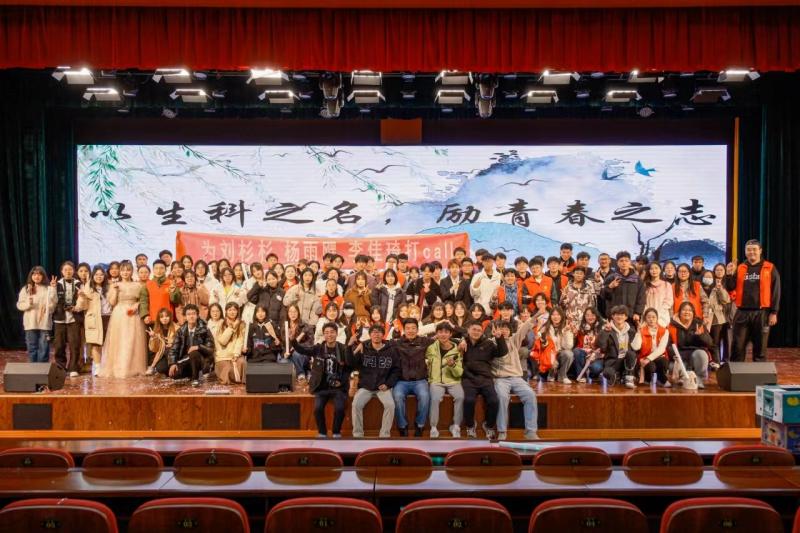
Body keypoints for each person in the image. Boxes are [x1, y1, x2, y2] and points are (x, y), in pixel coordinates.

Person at [725, 239, 781, 362]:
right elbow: (730, 287)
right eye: (749, 250)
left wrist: (774, 312)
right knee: (737, 347)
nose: (751, 252)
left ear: (760, 251)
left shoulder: (770, 267)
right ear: (745, 252)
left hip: (762, 313)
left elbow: (776, 291)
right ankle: (737, 374)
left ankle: (759, 374)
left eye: (754, 249)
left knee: (760, 349)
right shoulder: (740, 268)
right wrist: (729, 274)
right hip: (741, 312)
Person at [293, 322, 352, 438]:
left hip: (338, 387)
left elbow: (349, 368)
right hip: (321, 386)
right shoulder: (319, 348)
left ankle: (336, 432)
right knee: (318, 409)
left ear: (336, 333)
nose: (329, 335)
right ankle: (322, 432)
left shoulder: (343, 348)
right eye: (326, 333)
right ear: (324, 335)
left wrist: (341, 381)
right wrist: (293, 340)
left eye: (332, 332)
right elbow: (302, 350)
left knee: (340, 408)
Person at [348, 324, 401, 438]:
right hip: (366, 386)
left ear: (383, 335)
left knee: (390, 405)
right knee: (356, 404)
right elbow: (351, 363)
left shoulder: (391, 350)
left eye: (379, 332)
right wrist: (350, 346)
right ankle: (357, 435)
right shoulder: (363, 347)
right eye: (374, 332)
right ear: (370, 334)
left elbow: (396, 370)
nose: (376, 334)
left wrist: (388, 384)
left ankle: (384, 435)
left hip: (383, 387)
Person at [99, 260, 147, 378]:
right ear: (120, 272)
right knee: (120, 340)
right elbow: (112, 302)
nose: (125, 272)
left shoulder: (138, 285)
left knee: (133, 340)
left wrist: (136, 305)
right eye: (123, 270)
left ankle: (133, 367)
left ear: (132, 271)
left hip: (133, 314)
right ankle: (119, 367)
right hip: (119, 314)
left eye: (128, 270)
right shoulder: (115, 285)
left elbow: (142, 300)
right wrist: (115, 290)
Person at [460, 322, 507, 440]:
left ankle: (489, 426)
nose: (476, 332)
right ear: (468, 330)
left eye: (479, 330)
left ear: (482, 332)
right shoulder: (462, 343)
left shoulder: (488, 343)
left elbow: (502, 352)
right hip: (468, 378)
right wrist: (461, 340)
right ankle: (470, 426)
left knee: (494, 401)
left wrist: (499, 338)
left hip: (485, 378)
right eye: (474, 329)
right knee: (469, 400)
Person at [493, 318, 538, 440]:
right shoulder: (492, 342)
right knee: (502, 397)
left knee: (530, 395)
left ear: (510, 331)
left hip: (516, 378)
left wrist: (538, 314)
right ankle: (502, 431)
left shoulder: (514, 340)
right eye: (501, 328)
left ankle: (530, 431)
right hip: (500, 378)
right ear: (496, 330)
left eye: (506, 329)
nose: (504, 331)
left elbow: (524, 328)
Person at [392, 318, 435, 437]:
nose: (410, 331)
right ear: (404, 330)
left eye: (413, 328)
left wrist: (462, 341)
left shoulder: (424, 341)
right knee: (397, 397)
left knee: (425, 396)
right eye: (408, 328)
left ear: (417, 329)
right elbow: (378, 340)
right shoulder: (397, 343)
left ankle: (420, 425)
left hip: (420, 380)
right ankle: (402, 426)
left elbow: (443, 338)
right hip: (401, 381)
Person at [426, 322, 464, 439]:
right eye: (440, 332)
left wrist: (453, 366)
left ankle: (456, 426)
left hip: (453, 381)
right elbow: (427, 362)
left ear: (450, 334)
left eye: (446, 332)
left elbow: (459, 373)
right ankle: (433, 427)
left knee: (460, 397)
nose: (443, 334)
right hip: (436, 381)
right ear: (436, 334)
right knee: (435, 399)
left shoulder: (457, 350)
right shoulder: (431, 348)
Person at [167, 304, 215, 386]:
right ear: (185, 317)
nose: (191, 316)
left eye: (193, 314)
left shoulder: (205, 329)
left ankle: (195, 378)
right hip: (186, 360)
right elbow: (174, 348)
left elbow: (210, 349)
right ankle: (193, 373)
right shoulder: (181, 331)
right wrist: (173, 363)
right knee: (175, 374)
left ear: (197, 315)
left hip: (201, 360)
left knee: (194, 353)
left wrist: (198, 347)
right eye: (188, 314)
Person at [17, 266, 57, 363]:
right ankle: (33, 368)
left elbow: (53, 303)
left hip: (44, 323)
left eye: (39, 274)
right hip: (30, 323)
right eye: (34, 274)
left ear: (43, 276)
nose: (37, 276)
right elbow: (19, 305)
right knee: (32, 347)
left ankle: (42, 369)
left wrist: (53, 289)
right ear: (31, 276)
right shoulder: (26, 289)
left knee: (44, 348)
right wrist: (29, 304)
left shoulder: (48, 289)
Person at [76, 265, 111, 373]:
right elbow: (82, 307)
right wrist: (82, 296)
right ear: (92, 276)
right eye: (96, 274)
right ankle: (97, 367)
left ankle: (107, 366)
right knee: (96, 344)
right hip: (95, 319)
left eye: (101, 274)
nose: (99, 277)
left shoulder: (109, 287)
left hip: (109, 318)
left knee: (108, 344)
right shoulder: (88, 288)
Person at [669, 301, 712, 388]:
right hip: (680, 356)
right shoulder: (672, 325)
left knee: (702, 355)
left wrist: (701, 336)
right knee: (671, 366)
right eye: (684, 310)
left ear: (693, 313)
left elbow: (710, 343)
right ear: (679, 312)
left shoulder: (699, 324)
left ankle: (699, 380)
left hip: (696, 354)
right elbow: (669, 345)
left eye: (689, 310)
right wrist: (674, 355)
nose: (687, 312)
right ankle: (683, 380)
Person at [52, 261, 84, 376]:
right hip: (60, 317)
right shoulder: (57, 284)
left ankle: (73, 368)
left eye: (70, 269)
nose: (68, 272)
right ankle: (60, 367)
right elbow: (53, 301)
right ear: (62, 272)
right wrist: (52, 289)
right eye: (65, 270)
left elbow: (83, 301)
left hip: (74, 317)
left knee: (74, 343)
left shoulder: (79, 284)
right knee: (59, 344)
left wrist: (77, 306)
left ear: (74, 271)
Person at [597, 305, 638, 388]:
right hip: (613, 362)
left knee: (631, 354)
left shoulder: (631, 331)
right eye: (617, 314)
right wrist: (605, 332)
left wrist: (639, 333)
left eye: (622, 314)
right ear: (612, 316)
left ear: (626, 317)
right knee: (610, 380)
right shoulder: (607, 329)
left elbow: (636, 348)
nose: (619, 317)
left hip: (627, 360)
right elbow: (602, 347)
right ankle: (618, 376)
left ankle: (629, 378)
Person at [531, 306, 574, 384]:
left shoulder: (566, 327)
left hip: (560, 353)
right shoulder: (545, 328)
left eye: (558, 315)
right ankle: (551, 374)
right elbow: (547, 344)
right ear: (550, 316)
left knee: (569, 354)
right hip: (548, 353)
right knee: (551, 355)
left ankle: (562, 376)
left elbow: (568, 346)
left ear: (562, 316)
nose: (555, 317)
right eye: (553, 315)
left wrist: (566, 332)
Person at [600, 251, 645, 323]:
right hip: (614, 316)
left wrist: (638, 312)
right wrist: (610, 287)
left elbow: (641, 297)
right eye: (621, 261)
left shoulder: (637, 280)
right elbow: (603, 296)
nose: (624, 263)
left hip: (631, 316)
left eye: (626, 261)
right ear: (617, 263)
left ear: (630, 262)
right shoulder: (611, 278)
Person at [631, 308, 670, 387]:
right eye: (648, 317)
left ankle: (661, 379)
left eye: (653, 317)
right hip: (644, 357)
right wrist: (638, 333)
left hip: (658, 357)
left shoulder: (664, 331)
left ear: (657, 318)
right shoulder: (642, 330)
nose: (651, 319)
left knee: (663, 362)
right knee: (651, 366)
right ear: (645, 319)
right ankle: (649, 379)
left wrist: (649, 359)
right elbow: (635, 347)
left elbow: (661, 349)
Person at [702, 267, 731, 368]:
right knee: (705, 341)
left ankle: (716, 362)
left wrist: (720, 289)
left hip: (716, 319)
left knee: (715, 342)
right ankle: (706, 361)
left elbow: (726, 300)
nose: (708, 279)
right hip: (703, 318)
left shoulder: (717, 288)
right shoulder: (698, 288)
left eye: (710, 277)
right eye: (706, 277)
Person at [212, 302, 247, 385]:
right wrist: (231, 328)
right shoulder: (221, 323)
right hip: (223, 354)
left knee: (242, 363)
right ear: (226, 311)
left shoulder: (242, 324)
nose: (232, 312)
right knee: (227, 368)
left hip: (235, 353)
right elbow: (222, 341)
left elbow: (240, 340)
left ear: (237, 311)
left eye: (234, 310)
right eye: (230, 310)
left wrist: (236, 354)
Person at [140, 260, 181, 329]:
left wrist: (174, 292)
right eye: (156, 268)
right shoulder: (147, 285)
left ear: (165, 270)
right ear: (153, 270)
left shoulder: (171, 283)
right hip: (152, 319)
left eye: (161, 268)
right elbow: (143, 301)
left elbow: (175, 301)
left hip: (168, 319)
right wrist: (145, 315)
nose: (159, 271)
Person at [559, 266, 597, 332]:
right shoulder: (568, 288)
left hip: (585, 321)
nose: (579, 275)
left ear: (584, 275)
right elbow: (562, 306)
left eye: (581, 273)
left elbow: (592, 305)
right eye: (577, 273)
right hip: (570, 322)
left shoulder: (589, 288)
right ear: (573, 274)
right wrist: (564, 298)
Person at [572, 307, 605, 383]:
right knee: (576, 351)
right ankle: (581, 376)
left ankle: (592, 374)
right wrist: (573, 334)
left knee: (596, 368)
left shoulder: (603, 327)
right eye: (587, 315)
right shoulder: (580, 327)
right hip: (583, 355)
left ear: (596, 315)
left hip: (597, 356)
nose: (590, 317)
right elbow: (575, 343)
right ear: (584, 316)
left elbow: (605, 344)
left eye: (592, 315)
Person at [146, 307, 179, 376]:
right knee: (160, 368)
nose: (164, 318)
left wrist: (172, 344)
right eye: (162, 317)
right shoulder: (157, 330)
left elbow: (180, 343)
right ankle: (166, 370)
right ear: (159, 319)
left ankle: (175, 368)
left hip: (174, 354)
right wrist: (153, 337)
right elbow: (154, 349)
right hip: (163, 354)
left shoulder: (177, 328)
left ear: (170, 317)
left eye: (167, 316)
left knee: (168, 349)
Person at [643, 262, 674, 327]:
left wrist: (657, 314)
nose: (654, 270)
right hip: (647, 315)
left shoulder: (666, 284)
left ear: (660, 270)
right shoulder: (644, 285)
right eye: (651, 269)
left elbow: (669, 301)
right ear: (649, 271)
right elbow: (642, 301)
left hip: (662, 316)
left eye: (656, 268)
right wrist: (648, 313)